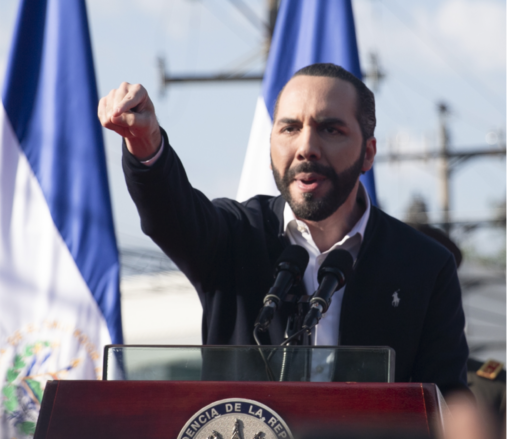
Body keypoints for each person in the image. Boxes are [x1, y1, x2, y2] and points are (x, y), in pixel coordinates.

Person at [98, 63, 468, 395]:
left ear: (368, 153)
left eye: (330, 129)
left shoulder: (424, 265)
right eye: (290, 128)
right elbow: (171, 212)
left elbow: (447, 405)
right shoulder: (234, 235)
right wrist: (145, 145)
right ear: (271, 144)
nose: (307, 147)